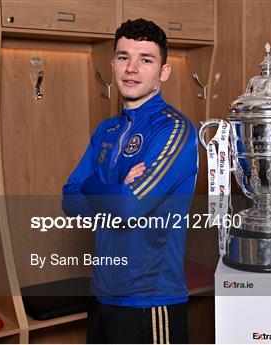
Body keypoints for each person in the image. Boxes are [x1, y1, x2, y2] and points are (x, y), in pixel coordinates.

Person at [62, 18, 198, 343]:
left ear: (163, 72)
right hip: (100, 295)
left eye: (145, 59)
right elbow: (69, 198)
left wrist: (95, 186)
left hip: (150, 301)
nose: (132, 68)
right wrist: (118, 188)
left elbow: (128, 208)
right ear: (112, 65)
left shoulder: (175, 130)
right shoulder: (106, 130)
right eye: (124, 57)